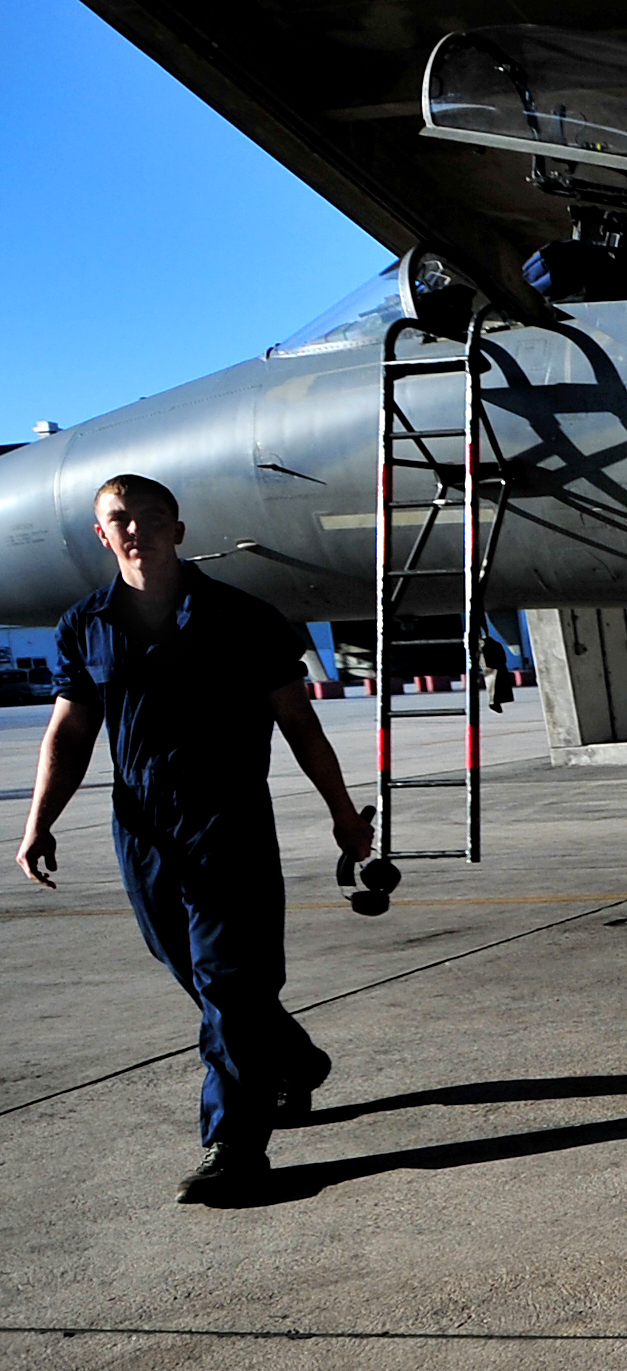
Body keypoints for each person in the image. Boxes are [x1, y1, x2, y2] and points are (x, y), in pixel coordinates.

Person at [14, 475, 375, 1204]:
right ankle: (293, 1060)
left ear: (179, 530)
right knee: (188, 966)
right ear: (102, 535)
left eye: (151, 517)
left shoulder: (245, 617)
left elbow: (299, 724)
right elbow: (72, 730)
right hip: (141, 824)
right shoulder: (85, 624)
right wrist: (38, 820)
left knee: (228, 983)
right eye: (120, 519)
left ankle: (233, 1143)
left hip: (229, 817)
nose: (136, 529)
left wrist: (343, 813)